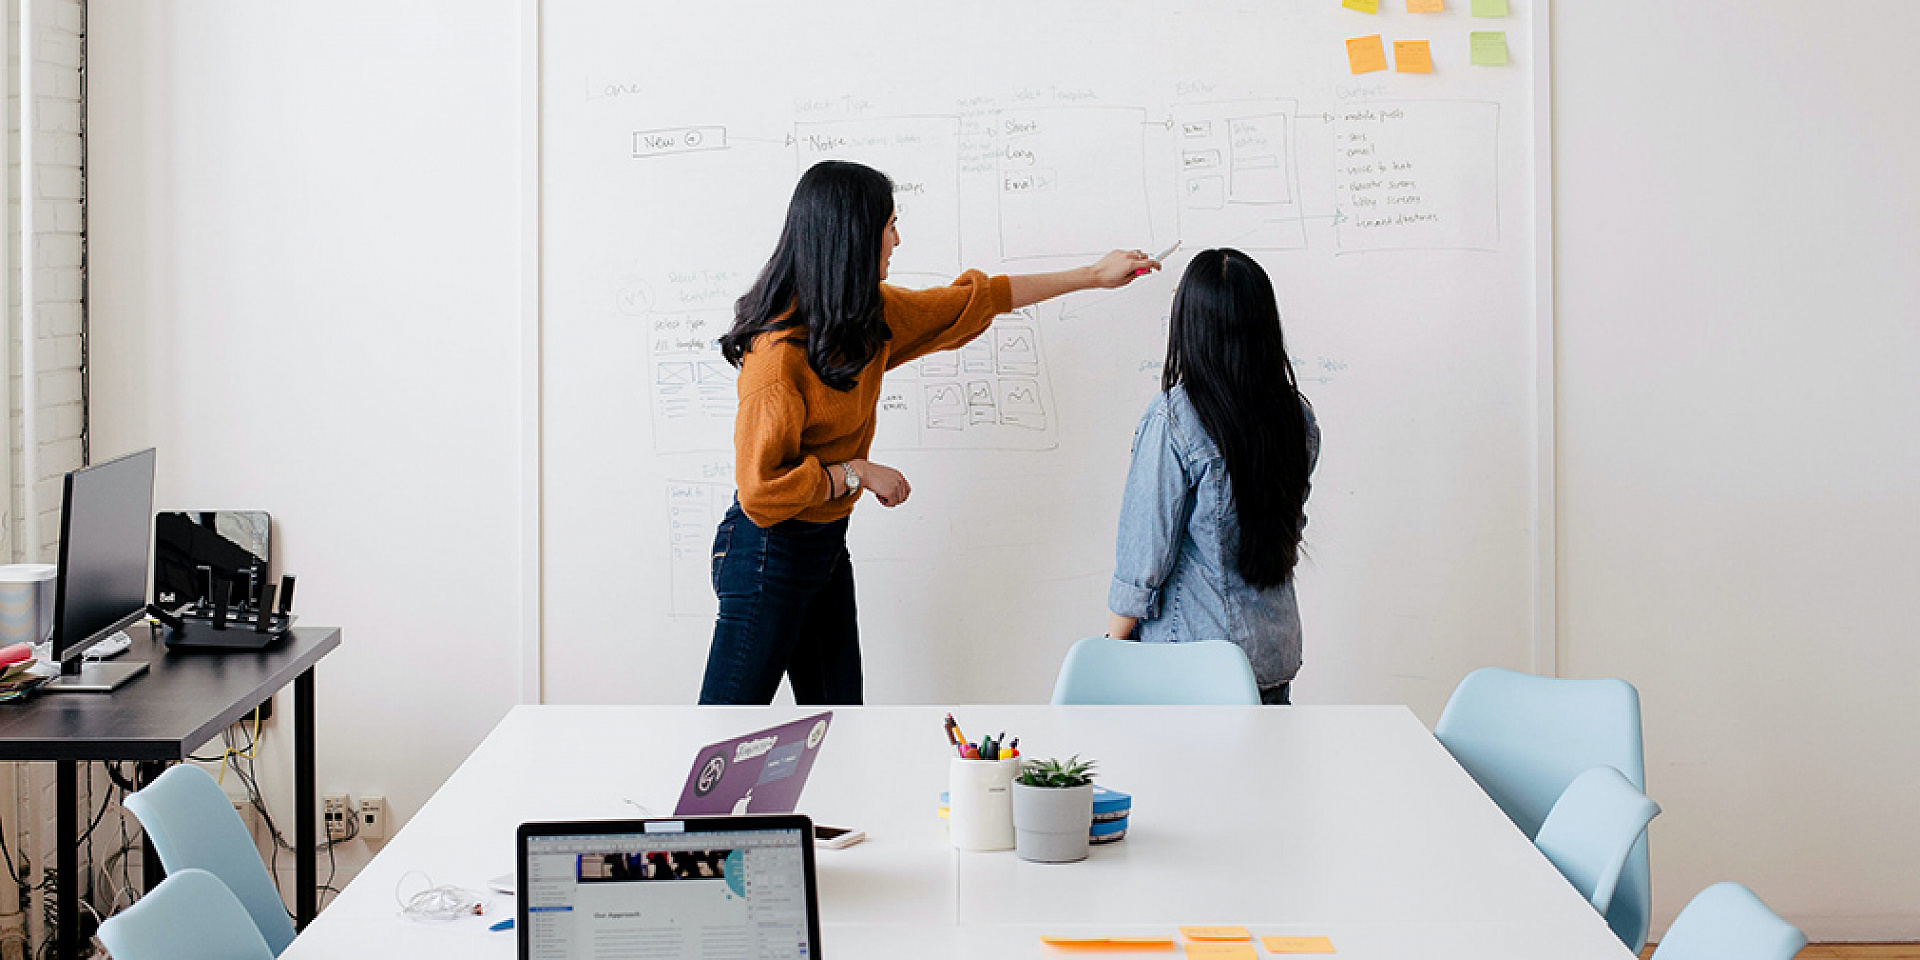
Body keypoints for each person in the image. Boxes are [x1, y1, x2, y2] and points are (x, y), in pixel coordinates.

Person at [701, 160, 1158, 705]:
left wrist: (1093, 275)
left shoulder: (865, 319)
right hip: (764, 554)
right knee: (725, 733)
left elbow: (975, 300)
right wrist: (855, 473)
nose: (897, 239)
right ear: (852, 237)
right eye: (889, 225)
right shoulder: (776, 361)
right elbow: (760, 493)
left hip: (823, 548)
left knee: (841, 726)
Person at [1105, 248, 1319, 705]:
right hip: (1271, 656)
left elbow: (1145, 557)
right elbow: (1287, 529)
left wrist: (1112, 644)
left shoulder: (1174, 419)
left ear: (1192, 324)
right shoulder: (1294, 415)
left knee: (1181, 780)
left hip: (1192, 662)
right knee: (1261, 777)